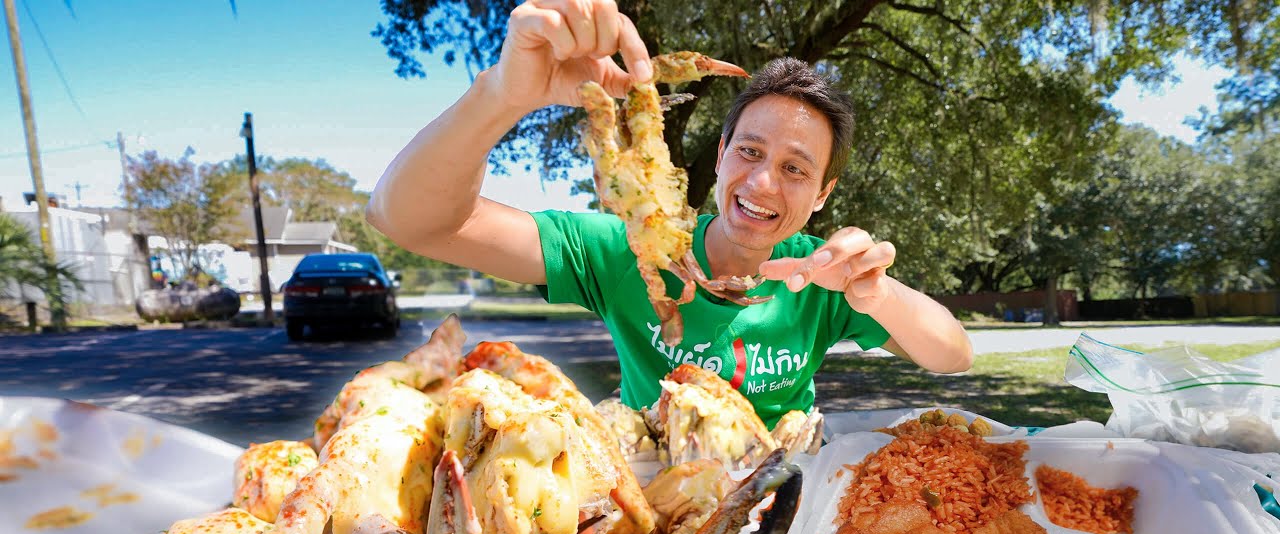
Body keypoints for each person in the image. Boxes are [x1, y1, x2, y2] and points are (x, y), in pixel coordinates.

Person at [367, 0, 973, 428]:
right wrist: (502, 94)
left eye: (795, 168)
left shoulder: (818, 275)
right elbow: (411, 221)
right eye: (750, 151)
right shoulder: (624, 248)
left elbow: (953, 354)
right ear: (720, 155)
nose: (762, 181)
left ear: (822, 193)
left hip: (783, 515)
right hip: (653, 518)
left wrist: (875, 291)